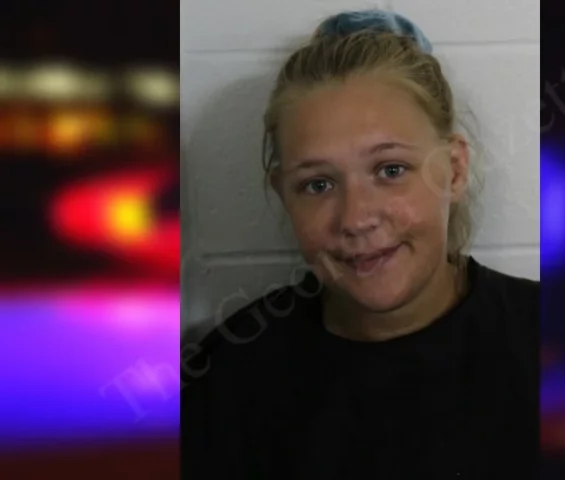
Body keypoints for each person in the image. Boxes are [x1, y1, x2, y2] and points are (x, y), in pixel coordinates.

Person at [181, 9, 539, 479]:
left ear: (453, 170)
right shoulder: (226, 380)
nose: (356, 218)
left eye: (391, 170)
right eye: (318, 184)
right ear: (283, 193)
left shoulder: (562, 344)